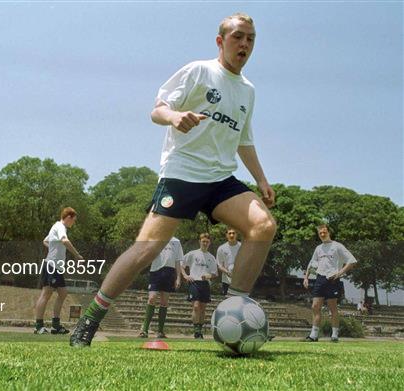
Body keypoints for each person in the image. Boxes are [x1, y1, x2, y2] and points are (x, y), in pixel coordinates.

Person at [70, 12, 276, 347]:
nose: (245, 44)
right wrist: (175, 116)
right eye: (238, 36)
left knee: (263, 226)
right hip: (182, 173)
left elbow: (243, 140)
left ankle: (232, 315)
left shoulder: (248, 91)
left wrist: (262, 180)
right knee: (145, 250)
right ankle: (91, 320)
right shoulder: (199, 71)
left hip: (221, 178)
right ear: (220, 41)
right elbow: (158, 109)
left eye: (251, 38)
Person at [303, 224, 357, 342]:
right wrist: (306, 277)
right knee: (315, 306)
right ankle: (313, 335)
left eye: (324, 232)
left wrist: (339, 273)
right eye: (320, 233)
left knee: (332, 308)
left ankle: (335, 335)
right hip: (320, 279)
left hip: (332, 280)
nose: (322, 235)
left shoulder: (337, 246)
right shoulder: (318, 248)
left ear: (329, 233)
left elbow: (351, 261)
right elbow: (312, 263)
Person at [34, 207, 83, 335]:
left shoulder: (57, 227)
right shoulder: (60, 226)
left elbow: (46, 241)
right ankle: (38, 326)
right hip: (51, 265)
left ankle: (56, 325)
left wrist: (54, 247)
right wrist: (77, 255)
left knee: (63, 293)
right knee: (46, 294)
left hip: (58, 267)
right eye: (73, 220)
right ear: (68, 217)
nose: (74, 223)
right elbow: (64, 240)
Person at [138, 236, 183, 339]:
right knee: (152, 298)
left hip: (169, 273)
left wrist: (178, 278)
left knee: (164, 302)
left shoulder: (176, 241)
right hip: (156, 272)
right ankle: (144, 330)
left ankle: (160, 331)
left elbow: (177, 261)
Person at [182, 233, 218, 339]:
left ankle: (200, 331)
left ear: (209, 243)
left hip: (205, 284)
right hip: (194, 282)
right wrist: (186, 276)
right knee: (196, 306)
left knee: (202, 308)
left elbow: (215, 273)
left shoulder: (211, 257)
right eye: (203, 241)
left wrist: (209, 275)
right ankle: (196, 331)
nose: (205, 243)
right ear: (200, 242)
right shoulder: (193, 254)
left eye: (207, 242)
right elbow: (181, 265)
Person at [216, 227, 241, 296]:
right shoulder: (221, 248)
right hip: (226, 281)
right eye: (229, 233)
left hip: (239, 280)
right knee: (228, 302)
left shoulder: (242, 247)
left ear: (236, 235)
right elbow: (219, 265)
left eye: (233, 233)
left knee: (239, 302)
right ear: (226, 235)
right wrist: (228, 272)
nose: (231, 235)